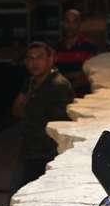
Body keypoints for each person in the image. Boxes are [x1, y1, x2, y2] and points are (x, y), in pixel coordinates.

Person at [10, 42, 74, 196]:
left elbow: (61, 124)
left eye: (39, 58)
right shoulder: (31, 82)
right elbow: (16, 111)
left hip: (47, 152)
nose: (34, 63)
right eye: (30, 59)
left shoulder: (58, 86)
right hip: (29, 148)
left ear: (51, 59)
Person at [55, 9, 97, 94]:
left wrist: (69, 86)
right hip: (60, 92)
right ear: (63, 23)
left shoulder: (89, 47)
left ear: (80, 24)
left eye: (74, 22)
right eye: (67, 21)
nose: (70, 26)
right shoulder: (56, 47)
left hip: (81, 93)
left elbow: (89, 75)